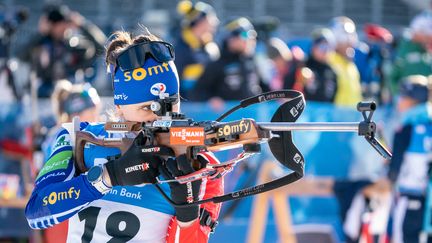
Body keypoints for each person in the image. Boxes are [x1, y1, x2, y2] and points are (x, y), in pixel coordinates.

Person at [25, 29, 223, 242]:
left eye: (171, 105)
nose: (160, 118)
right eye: (148, 108)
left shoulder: (202, 163)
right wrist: (109, 176)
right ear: (119, 106)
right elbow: (37, 211)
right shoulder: (79, 138)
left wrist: (187, 214)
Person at [18, 4, 106, 97]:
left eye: (65, 23)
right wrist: (40, 33)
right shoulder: (40, 44)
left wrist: (82, 25)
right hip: (43, 96)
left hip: (69, 96)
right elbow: (21, 56)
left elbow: (101, 48)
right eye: (58, 24)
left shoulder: (74, 44)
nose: (64, 28)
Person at [192, 17, 268, 110]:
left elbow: (265, 89)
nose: (250, 40)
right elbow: (198, 92)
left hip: (252, 118)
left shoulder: (252, 63)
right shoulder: (217, 65)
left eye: (252, 36)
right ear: (230, 39)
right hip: (228, 121)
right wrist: (211, 99)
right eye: (244, 35)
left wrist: (279, 97)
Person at [173, 0, 220, 100]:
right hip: (189, 108)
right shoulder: (180, 49)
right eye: (211, 19)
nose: (215, 22)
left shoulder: (211, 47)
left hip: (208, 106)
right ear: (200, 22)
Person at [389, 11, 432, 97]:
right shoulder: (405, 49)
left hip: (426, 99)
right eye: (426, 36)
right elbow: (393, 77)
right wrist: (398, 96)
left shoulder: (426, 49)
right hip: (408, 100)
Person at [327, 16, 363, 107]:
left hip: (352, 117)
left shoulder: (351, 65)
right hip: (335, 119)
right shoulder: (328, 61)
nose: (349, 41)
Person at [303, 28, 338, 102]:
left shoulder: (332, 72)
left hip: (325, 112)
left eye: (328, 47)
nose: (325, 51)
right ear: (313, 47)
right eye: (322, 47)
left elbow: (332, 99)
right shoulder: (303, 66)